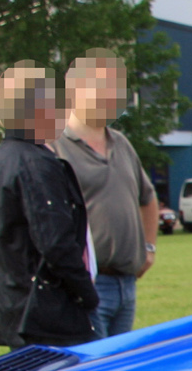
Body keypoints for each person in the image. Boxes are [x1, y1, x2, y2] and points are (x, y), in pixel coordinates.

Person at [0, 63, 98, 347]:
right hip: (48, 315)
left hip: (12, 309)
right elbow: (55, 244)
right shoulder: (37, 165)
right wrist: (86, 294)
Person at [55, 50, 159, 337]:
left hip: (126, 283)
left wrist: (149, 249)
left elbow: (148, 199)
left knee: (120, 369)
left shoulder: (121, 143)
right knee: (96, 368)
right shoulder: (55, 146)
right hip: (88, 284)